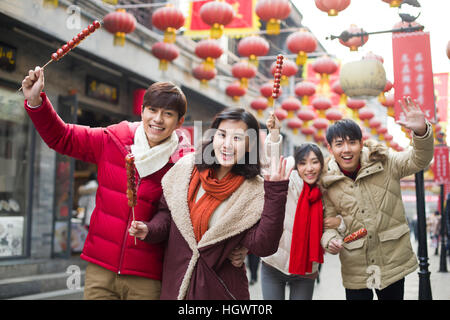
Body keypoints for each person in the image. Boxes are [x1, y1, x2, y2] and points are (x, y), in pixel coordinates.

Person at [21, 66, 193, 300]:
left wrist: (150, 230)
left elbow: (183, 215)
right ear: (142, 111)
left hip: (147, 276)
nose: (158, 119)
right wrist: (36, 102)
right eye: (152, 110)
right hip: (100, 269)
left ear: (179, 121)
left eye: (168, 114)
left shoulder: (184, 163)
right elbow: (62, 137)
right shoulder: (113, 140)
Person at [129, 108, 291, 300]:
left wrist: (276, 193)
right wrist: (149, 229)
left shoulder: (253, 190)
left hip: (220, 290)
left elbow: (264, 246)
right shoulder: (186, 168)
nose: (227, 145)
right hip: (176, 286)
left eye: (238, 138)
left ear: (250, 145)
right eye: (222, 135)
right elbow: (167, 215)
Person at [320, 96, 434, 300]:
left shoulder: (386, 161)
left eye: (352, 143)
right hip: (356, 267)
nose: (346, 149)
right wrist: (330, 241)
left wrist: (421, 132)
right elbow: (328, 225)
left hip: (391, 262)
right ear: (330, 148)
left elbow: (419, 159)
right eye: (339, 144)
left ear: (361, 143)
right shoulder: (327, 183)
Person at [259, 113, 345, 300]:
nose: (309, 168)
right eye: (303, 163)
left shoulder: (327, 191)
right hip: (274, 263)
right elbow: (272, 165)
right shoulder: (288, 181)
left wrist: (338, 226)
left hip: (306, 269)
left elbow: (338, 220)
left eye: (315, 162)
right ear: (297, 166)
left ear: (322, 165)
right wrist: (274, 135)